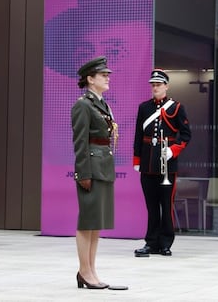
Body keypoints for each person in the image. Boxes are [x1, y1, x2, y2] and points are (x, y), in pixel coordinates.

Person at [71, 56, 126, 291]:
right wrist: (83, 172)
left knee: (96, 223)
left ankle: (91, 270)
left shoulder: (101, 103)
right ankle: (84, 270)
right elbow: (80, 142)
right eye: (103, 75)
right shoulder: (83, 105)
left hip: (103, 166)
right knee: (87, 222)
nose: (107, 77)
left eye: (107, 74)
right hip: (91, 168)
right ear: (90, 79)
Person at [132, 68, 191, 257]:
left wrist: (173, 151)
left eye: (158, 85)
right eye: (153, 85)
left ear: (166, 86)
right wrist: (137, 159)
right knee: (151, 206)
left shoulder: (176, 107)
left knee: (166, 205)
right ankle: (151, 242)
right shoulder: (144, 108)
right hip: (148, 162)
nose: (155, 88)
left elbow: (186, 135)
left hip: (168, 164)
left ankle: (165, 242)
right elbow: (139, 136)